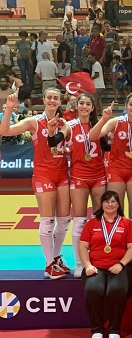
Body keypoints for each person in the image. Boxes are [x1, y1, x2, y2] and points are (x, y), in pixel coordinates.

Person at [0, 89, 72, 279]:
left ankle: (56, 257)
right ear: (44, 100)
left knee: (64, 219)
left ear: (60, 102)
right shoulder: (34, 122)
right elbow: (4, 131)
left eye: (56, 98)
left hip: (62, 174)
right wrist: (9, 109)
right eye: (49, 97)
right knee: (48, 219)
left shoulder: (65, 124)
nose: (52, 101)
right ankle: (49, 265)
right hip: (43, 175)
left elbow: (66, 148)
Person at [79, 191, 132, 338]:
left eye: (113, 201)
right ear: (102, 204)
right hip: (96, 267)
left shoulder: (126, 223)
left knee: (116, 290)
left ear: (118, 204)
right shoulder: (92, 223)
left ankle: (114, 329)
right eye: (106, 201)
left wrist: (121, 264)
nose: (110, 204)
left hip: (119, 267)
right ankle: (97, 329)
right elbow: (83, 246)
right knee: (93, 289)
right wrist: (87, 265)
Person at [67, 93, 108, 278]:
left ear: (92, 107)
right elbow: (55, 143)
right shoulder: (69, 126)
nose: (84, 106)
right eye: (81, 103)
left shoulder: (99, 125)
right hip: (79, 176)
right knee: (80, 220)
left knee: (99, 219)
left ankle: (97, 258)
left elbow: (108, 146)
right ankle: (79, 262)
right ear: (76, 106)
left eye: (88, 104)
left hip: (98, 175)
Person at [89, 93, 132, 228]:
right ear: (126, 106)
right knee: (116, 211)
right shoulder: (116, 122)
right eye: (131, 105)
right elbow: (93, 136)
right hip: (116, 171)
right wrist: (104, 119)